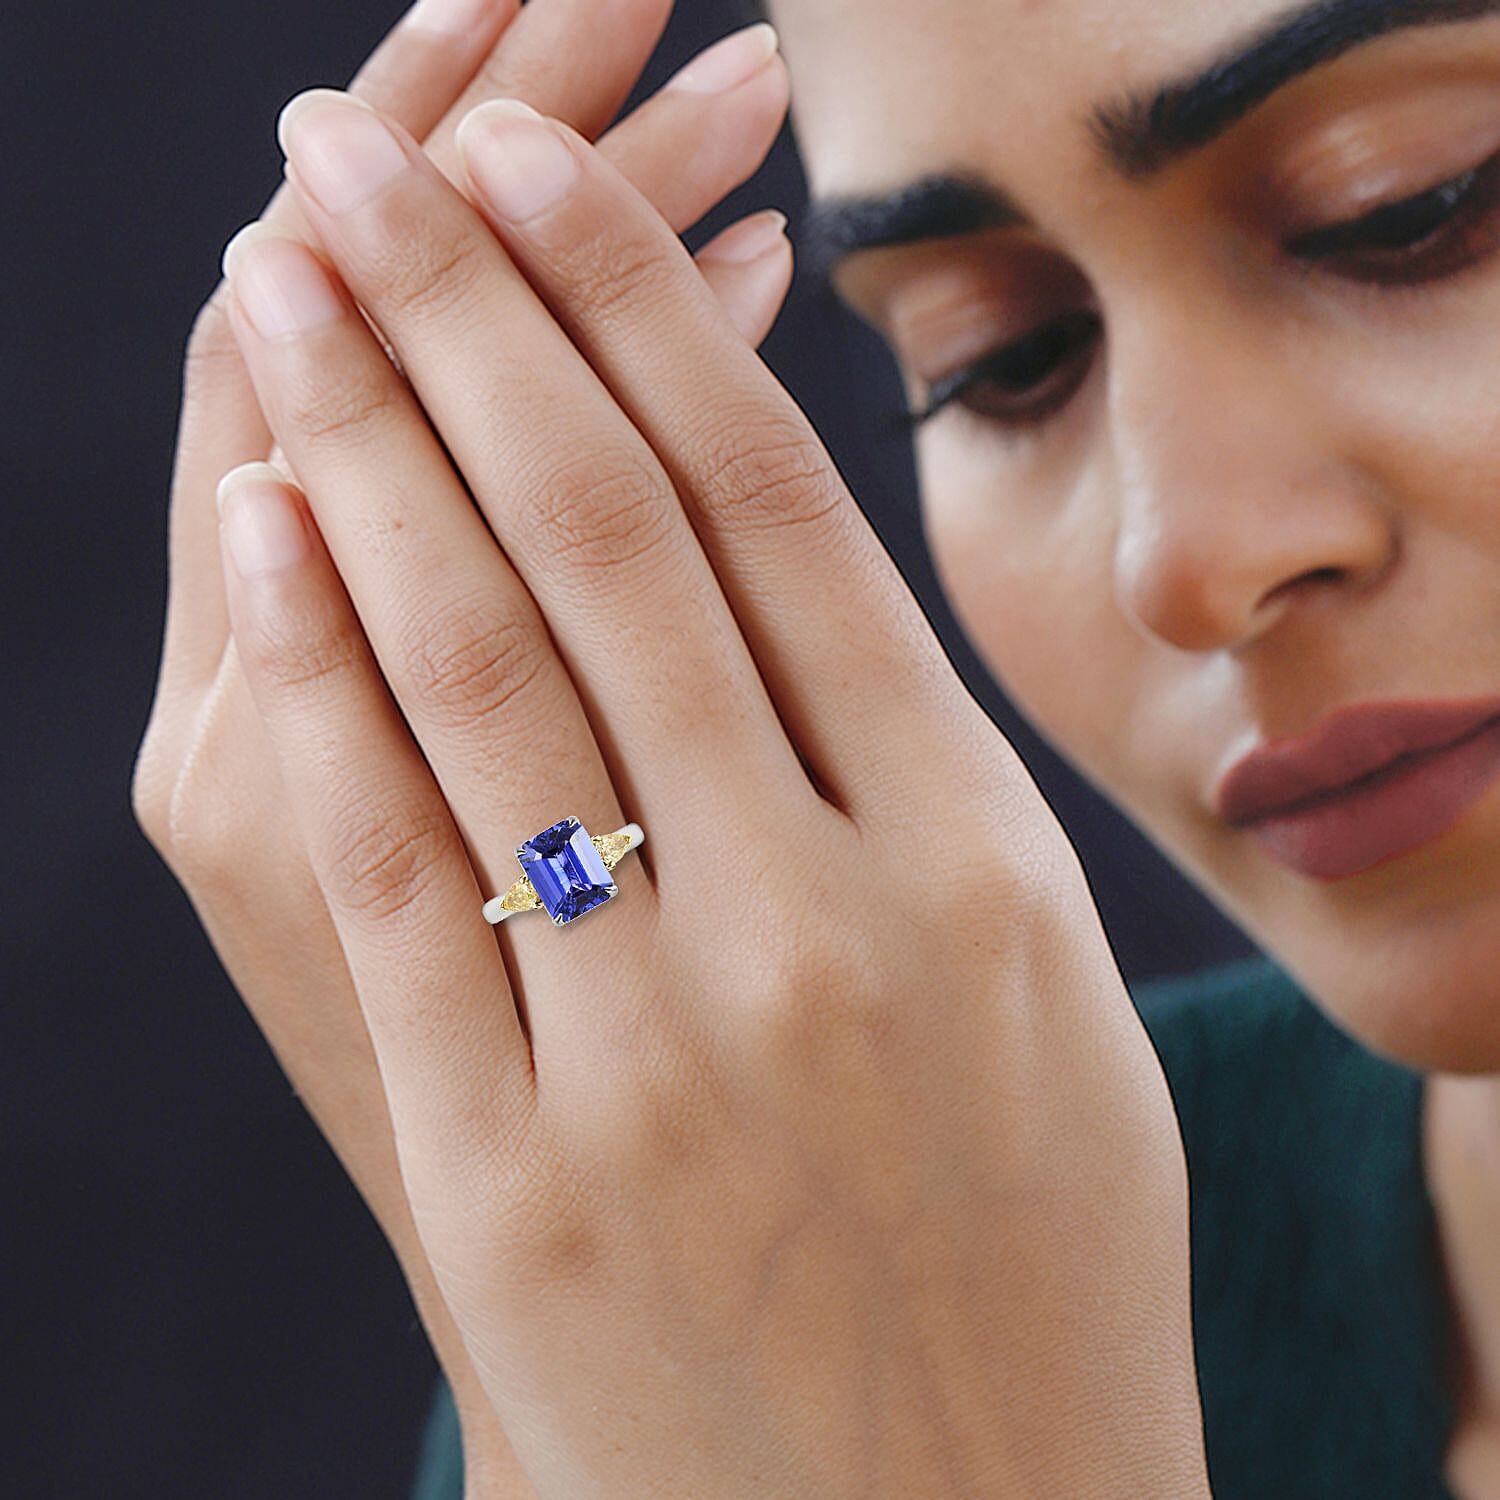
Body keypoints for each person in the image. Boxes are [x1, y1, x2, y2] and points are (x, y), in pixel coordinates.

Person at [128, 0, 1500, 1496]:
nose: (1183, 562)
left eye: (1411, 206)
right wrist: (561, 1364)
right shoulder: (807, 1237)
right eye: (1004, 357)